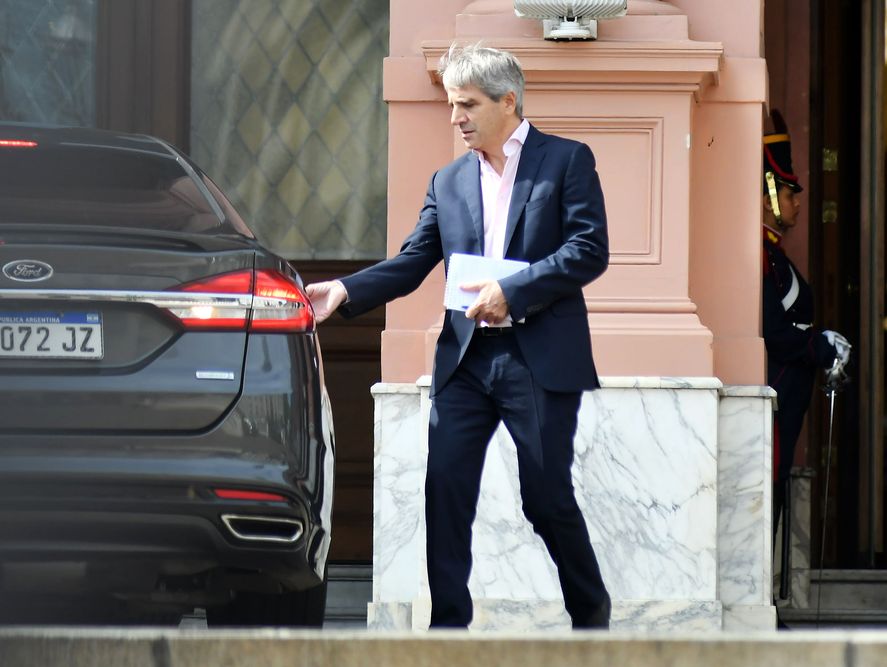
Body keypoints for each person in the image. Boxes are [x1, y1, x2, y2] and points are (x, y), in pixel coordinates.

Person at [306, 44, 611, 629]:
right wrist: (343, 290)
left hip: (538, 358)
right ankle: (447, 630)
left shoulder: (566, 160)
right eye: (452, 104)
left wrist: (512, 291)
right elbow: (413, 260)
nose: (456, 118)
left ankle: (590, 615)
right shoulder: (447, 181)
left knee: (545, 498)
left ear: (507, 101)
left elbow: (588, 249)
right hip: (466, 361)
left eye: (467, 105)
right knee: (445, 491)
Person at [761, 117, 850, 532]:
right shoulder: (763, 257)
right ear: (768, 200)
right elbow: (776, 333)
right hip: (779, 393)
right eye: (788, 194)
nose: (796, 202)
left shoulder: (775, 256)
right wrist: (821, 347)